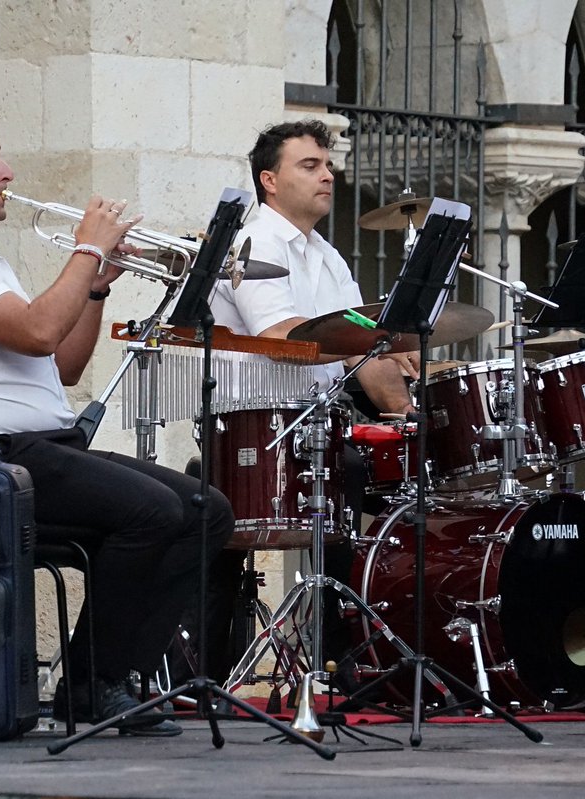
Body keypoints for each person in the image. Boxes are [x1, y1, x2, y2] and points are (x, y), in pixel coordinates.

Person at [0, 106, 235, 736]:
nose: (8, 170)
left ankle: (107, 675)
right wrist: (86, 247)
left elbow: (65, 363)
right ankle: (89, 685)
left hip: (42, 447)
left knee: (206, 510)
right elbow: (38, 329)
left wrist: (98, 284)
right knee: (153, 513)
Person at [201, 119, 419, 679]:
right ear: (269, 180)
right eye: (310, 165)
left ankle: (368, 649)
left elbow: (360, 360)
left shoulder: (328, 257)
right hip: (251, 430)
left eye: (327, 165)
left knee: (410, 474)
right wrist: (368, 343)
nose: (328, 175)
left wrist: (409, 410)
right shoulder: (252, 243)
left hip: (314, 426)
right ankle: (342, 652)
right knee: (347, 472)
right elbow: (282, 340)